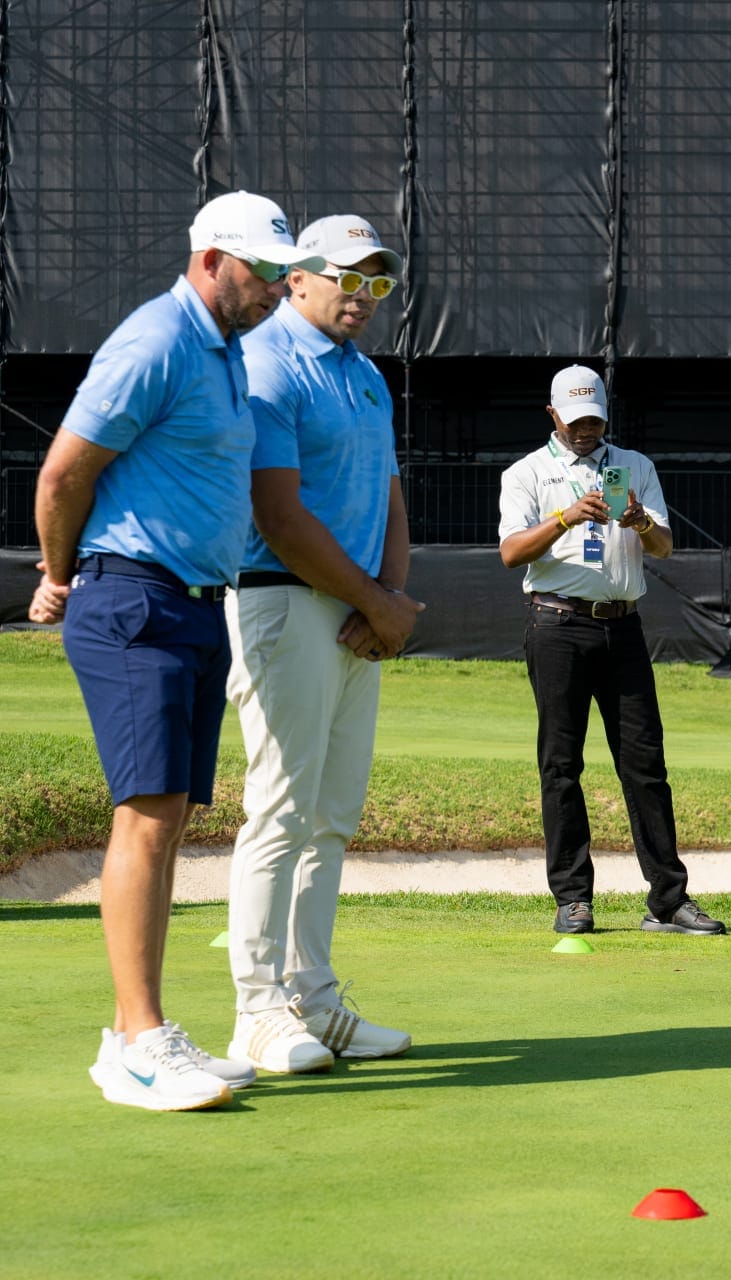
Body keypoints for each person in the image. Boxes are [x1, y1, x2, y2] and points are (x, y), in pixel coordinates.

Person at [30, 191, 322, 1111]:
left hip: (196, 604)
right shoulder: (158, 339)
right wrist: (57, 569)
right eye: (262, 271)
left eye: (283, 272)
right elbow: (64, 470)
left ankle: (139, 1031)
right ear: (210, 261)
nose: (276, 287)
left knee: (168, 819)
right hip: (133, 598)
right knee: (147, 816)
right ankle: (138, 1042)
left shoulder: (227, 354)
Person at [222, 215, 423, 1076]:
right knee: (279, 811)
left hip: (354, 612)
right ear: (297, 276)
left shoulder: (367, 376)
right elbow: (279, 515)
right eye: (347, 275)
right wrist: (375, 602)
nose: (362, 294)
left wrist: (393, 599)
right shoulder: (265, 364)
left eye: (376, 280)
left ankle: (314, 997)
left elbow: (388, 494)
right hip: (283, 603)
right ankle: (255, 1012)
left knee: (332, 817)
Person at [498, 365, 725, 937]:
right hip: (557, 625)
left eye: (594, 419)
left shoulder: (634, 467)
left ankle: (668, 901)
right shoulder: (528, 472)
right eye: (575, 421)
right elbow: (510, 553)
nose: (585, 430)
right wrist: (564, 517)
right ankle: (573, 898)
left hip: (622, 628)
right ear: (553, 415)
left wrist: (640, 520)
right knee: (561, 765)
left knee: (646, 765)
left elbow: (666, 547)